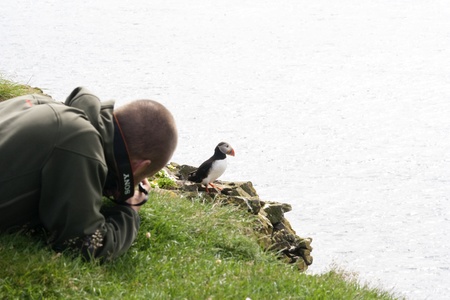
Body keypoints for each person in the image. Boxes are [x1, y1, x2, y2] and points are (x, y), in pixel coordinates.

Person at [0, 87, 178, 260]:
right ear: (139, 166)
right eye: (138, 178)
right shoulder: (79, 140)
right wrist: (129, 211)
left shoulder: (40, 103)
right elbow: (84, 244)